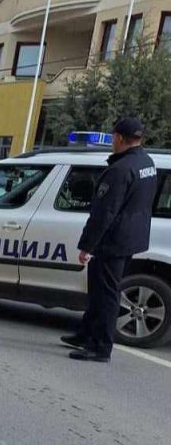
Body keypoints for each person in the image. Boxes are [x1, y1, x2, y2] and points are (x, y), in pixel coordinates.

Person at [63, 118, 157, 362]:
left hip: (112, 240)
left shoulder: (119, 170)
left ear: (119, 138)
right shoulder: (146, 162)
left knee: (106, 294)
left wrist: (86, 246)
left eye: (114, 136)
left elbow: (104, 212)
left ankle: (100, 347)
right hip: (130, 237)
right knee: (98, 289)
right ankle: (86, 334)